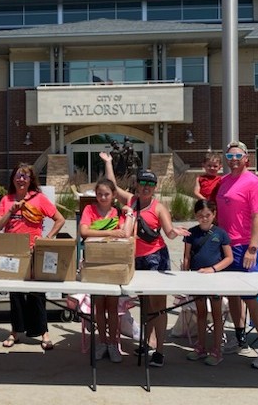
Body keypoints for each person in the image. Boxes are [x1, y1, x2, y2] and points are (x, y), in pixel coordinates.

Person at [100, 151, 190, 367]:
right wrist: (109, 163)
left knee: (158, 305)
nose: (146, 187)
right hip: (135, 259)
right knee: (145, 303)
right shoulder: (132, 200)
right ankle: (147, 341)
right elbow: (112, 185)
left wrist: (174, 232)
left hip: (154, 258)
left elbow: (168, 232)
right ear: (137, 185)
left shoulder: (159, 207)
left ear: (155, 187)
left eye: (150, 184)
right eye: (142, 183)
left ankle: (159, 351)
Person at [216, 141, 258, 369]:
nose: (233, 160)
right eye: (229, 156)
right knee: (233, 295)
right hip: (225, 246)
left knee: (250, 298)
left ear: (246, 158)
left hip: (243, 247)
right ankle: (239, 337)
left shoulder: (254, 183)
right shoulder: (224, 181)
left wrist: (252, 248)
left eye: (237, 156)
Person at [0, 163, 65, 350]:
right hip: (12, 254)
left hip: (33, 252)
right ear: (13, 179)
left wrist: (48, 238)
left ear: (31, 180)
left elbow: (60, 219)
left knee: (37, 293)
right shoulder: (6, 200)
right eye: (18, 175)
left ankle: (43, 332)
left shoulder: (39, 199)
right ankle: (16, 331)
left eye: (25, 176)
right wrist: (11, 211)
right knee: (15, 294)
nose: (21, 179)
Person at [79, 178, 133, 363]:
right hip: (94, 264)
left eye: (106, 194)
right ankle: (102, 342)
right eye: (100, 194)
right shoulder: (89, 210)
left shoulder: (117, 212)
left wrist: (129, 213)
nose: (103, 197)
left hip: (113, 265)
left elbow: (125, 233)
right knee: (99, 307)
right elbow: (84, 231)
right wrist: (110, 232)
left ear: (113, 195)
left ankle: (113, 343)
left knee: (113, 307)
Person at [182, 199, 233, 366]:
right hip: (197, 279)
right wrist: (185, 274)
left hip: (215, 280)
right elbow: (187, 257)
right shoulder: (191, 233)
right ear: (195, 215)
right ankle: (201, 347)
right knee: (201, 313)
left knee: (217, 314)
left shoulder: (221, 233)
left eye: (207, 215)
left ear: (214, 214)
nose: (204, 218)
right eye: (200, 215)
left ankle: (217, 349)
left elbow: (229, 258)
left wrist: (213, 269)